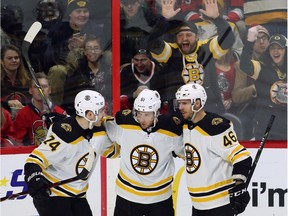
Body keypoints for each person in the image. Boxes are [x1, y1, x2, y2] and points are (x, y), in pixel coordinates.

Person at [24, 90, 119, 216]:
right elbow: (33, 162)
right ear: (90, 114)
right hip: (53, 195)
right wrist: (34, 179)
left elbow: (113, 153)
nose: (104, 114)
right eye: (101, 111)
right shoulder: (64, 135)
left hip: (78, 196)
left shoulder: (99, 132)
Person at [175, 83, 252, 216]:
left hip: (219, 205)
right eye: (180, 103)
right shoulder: (186, 126)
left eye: (185, 103)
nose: (180, 107)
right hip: (197, 204)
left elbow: (242, 158)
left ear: (197, 103)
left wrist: (239, 187)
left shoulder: (216, 127)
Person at [104, 89, 184, 216]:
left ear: (157, 113)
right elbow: (103, 127)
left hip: (160, 199)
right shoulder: (124, 124)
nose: (142, 119)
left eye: (147, 115)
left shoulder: (171, 129)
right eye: (139, 114)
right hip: (127, 196)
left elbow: (186, 151)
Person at [148, 0, 235, 114]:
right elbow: (152, 44)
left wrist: (217, 18)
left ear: (197, 36)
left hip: (209, 109)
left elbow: (228, 40)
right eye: (180, 35)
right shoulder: (171, 51)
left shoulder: (206, 48)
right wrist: (163, 21)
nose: (184, 39)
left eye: (189, 35)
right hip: (179, 111)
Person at [239, 27, 287, 140]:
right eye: (273, 48)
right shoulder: (261, 66)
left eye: (279, 48)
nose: (276, 52)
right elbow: (244, 64)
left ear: (285, 50)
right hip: (265, 125)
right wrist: (249, 42)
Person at [48, 35, 112, 114]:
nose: (92, 51)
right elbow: (70, 99)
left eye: (96, 48)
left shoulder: (109, 71)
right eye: (89, 48)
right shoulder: (77, 73)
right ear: (84, 52)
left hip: (107, 111)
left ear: (102, 51)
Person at [43, 0, 108, 73]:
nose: (82, 15)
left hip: (92, 67)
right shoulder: (57, 30)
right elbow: (46, 58)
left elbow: (104, 51)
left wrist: (85, 46)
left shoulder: (96, 30)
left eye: (85, 11)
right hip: (66, 69)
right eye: (78, 11)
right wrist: (68, 47)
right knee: (57, 70)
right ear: (70, 14)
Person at [232, 25, 270, 140]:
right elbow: (236, 96)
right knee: (242, 123)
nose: (262, 41)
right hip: (251, 107)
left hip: (273, 106)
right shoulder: (241, 65)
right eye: (257, 39)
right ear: (251, 42)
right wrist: (255, 88)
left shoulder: (278, 61)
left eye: (265, 38)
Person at [13, 72, 67, 146]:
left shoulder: (60, 113)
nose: (40, 89)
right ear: (30, 90)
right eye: (36, 87)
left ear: (50, 90)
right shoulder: (23, 114)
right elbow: (17, 142)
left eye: (44, 86)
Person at [120, 0, 160, 64]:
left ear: (138, 3)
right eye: (126, 3)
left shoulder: (151, 19)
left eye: (132, 3)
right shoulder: (115, 20)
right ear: (121, 4)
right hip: (123, 64)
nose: (129, 6)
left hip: (147, 63)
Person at [1, 44, 30, 112]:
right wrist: (7, 103)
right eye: (9, 58)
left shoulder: (28, 80)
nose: (14, 60)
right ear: (1, 61)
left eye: (16, 57)